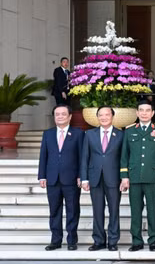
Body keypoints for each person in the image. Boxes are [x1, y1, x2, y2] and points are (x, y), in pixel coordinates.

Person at [120, 100, 155, 252]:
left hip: (153, 176)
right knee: (135, 210)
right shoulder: (128, 131)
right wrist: (124, 176)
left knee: (153, 210)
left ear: (153, 113)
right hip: (134, 176)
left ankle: (153, 240)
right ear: (137, 113)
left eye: (148, 110)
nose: (144, 113)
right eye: (141, 110)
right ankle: (136, 240)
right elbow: (124, 155)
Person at [38, 104, 84, 251]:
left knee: (73, 210)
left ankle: (71, 240)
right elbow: (43, 156)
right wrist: (42, 176)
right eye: (57, 114)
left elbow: (82, 157)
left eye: (63, 114)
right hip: (52, 178)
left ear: (70, 116)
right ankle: (55, 240)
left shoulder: (78, 133)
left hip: (71, 179)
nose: (60, 116)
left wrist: (81, 176)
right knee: (54, 210)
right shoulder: (48, 134)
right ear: (54, 117)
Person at [80, 106, 123, 251]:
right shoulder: (89, 134)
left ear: (112, 116)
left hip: (114, 178)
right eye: (101, 115)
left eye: (107, 115)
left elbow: (124, 158)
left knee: (114, 210)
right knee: (97, 210)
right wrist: (84, 178)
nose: (104, 117)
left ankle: (113, 241)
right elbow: (84, 157)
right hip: (95, 177)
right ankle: (98, 240)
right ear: (97, 117)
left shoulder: (121, 134)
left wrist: (124, 177)